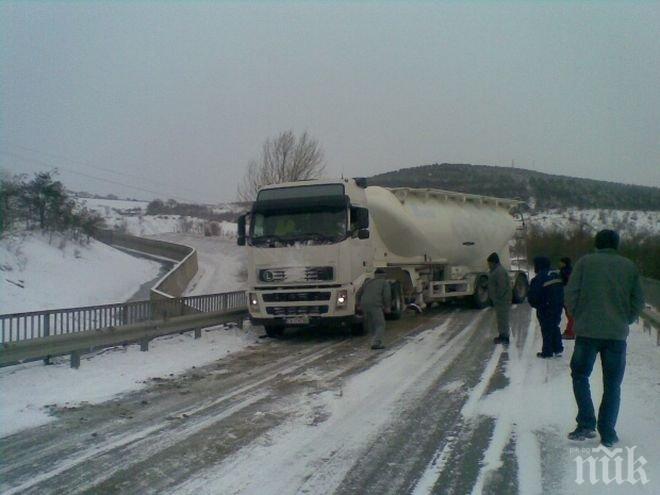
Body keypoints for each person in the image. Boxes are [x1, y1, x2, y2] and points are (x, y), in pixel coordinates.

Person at [565, 229, 644, 447]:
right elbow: (638, 300)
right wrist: (624, 319)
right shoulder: (629, 267)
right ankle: (608, 432)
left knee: (580, 375)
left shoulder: (585, 263)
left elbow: (571, 294)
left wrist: (577, 315)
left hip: (587, 333)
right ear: (616, 245)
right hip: (616, 336)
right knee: (612, 384)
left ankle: (586, 424)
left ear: (597, 244)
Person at [528, 256, 564, 358]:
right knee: (554, 325)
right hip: (558, 305)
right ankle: (558, 348)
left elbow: (533, 295)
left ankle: (547, 352)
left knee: (546, 329)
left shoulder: (539, 277)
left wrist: (537, 305)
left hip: (545, 307)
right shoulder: (556, 274)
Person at [359, 269, 392, 350]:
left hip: (364, 305)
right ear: (384, 275)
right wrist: (387, 307)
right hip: (375, 305)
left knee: (372, 324)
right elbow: (387, 295)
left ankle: (374, 341)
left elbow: (358, 293)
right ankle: (376, 343)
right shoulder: (384, 283)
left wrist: (358, 304)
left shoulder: (367, 282)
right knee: (380, 324)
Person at [487, 252, 512, 345]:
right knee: (500, 319)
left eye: (489, 263)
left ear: (494, 262)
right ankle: (502, 335)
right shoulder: (496, 271)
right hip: (500, 300)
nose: (488, 265)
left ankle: (505, 337)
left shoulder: (499, 271)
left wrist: (497, 297)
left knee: (503, 318)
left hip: (502, 300)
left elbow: (502, 286)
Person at [559, 257, 576, 339]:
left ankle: (570, 332)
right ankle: (570, 331)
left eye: (561, 262)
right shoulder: (569, 270)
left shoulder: (566, 271)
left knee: (570, 314)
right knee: (569, 314)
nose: (559, 264)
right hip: (566, 293)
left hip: (566, 293)